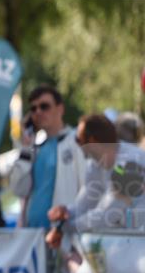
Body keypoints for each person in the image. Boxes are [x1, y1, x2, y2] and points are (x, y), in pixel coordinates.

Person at [47, 114, 145, 246]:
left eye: (78, 139)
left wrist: (64, 228)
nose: (76, 144)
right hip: (130, 244)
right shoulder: (95, 165)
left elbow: (108, 214)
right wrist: (65, 213)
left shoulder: (132, 162)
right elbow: (84, 205)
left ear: (92, 140)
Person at [8, 85, 86, 228]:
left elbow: (88, 189)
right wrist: (25, 148)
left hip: (64, 234)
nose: (38, 112)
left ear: (60, 109)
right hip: (33, 236)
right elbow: (18, 189)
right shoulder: (33, 149)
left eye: (44, 106)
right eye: (33, 109)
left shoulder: (77, 142)